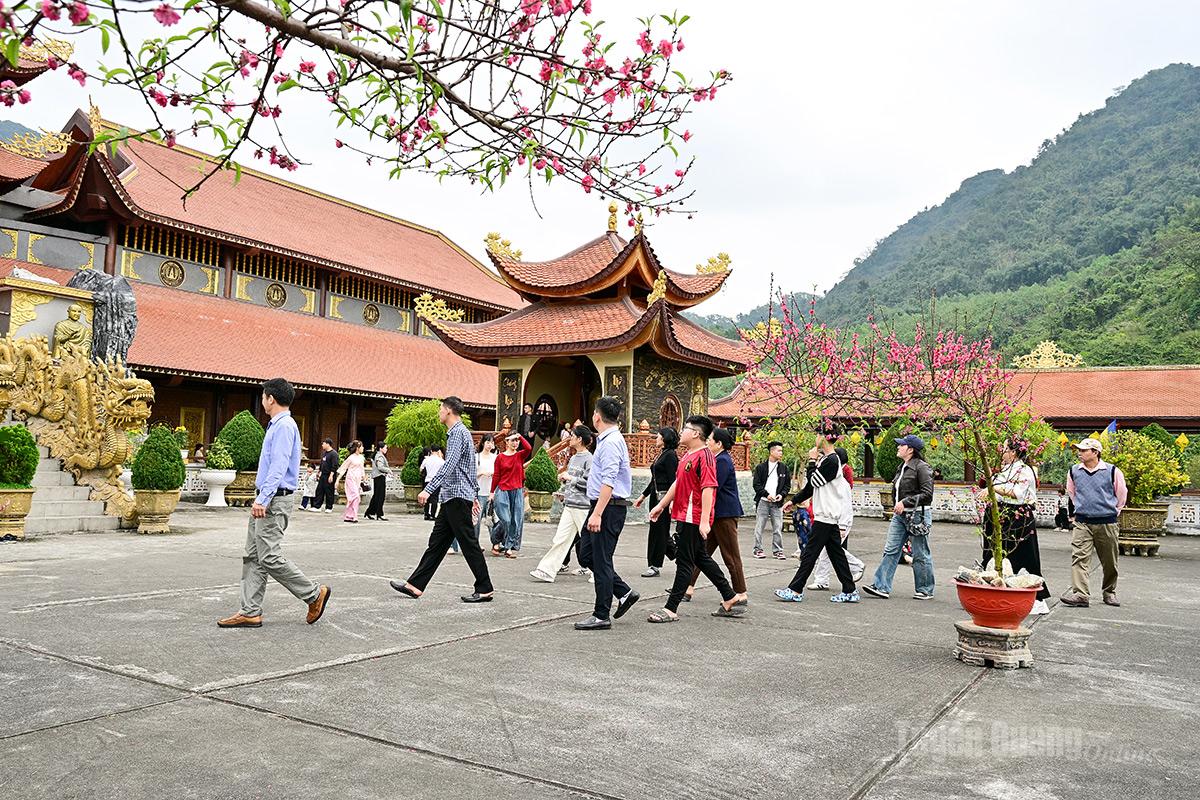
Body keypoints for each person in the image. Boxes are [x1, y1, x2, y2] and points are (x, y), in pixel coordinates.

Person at [218, 377, 330, 628]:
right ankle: (250, 611)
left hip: (274, 499)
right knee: (253, 556)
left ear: (271, 398)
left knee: (268, 556)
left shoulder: (283, 426)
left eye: (264, 397)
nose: (262, 401)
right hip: (268, 497)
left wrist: (263, 498)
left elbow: (278, 467)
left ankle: (313, 594)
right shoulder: (277, 425)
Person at [390, 396, 494, 603]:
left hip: (456, 496)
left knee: (468, 542)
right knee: (437, 543)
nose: (439, 412)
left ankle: (484, 587)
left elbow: (449, 466)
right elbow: (469, 468)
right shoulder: (461, 433)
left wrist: (428, 489)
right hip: (453, 496)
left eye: (440, 409)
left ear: (448, 411)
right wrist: (473, 493)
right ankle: (415, 585)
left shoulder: (457, 434)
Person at [647, 416, 745, 622]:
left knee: (685, 562)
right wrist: (661, 505)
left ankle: (671, 608)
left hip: (693, 516)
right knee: (701, 558)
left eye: (685, 428)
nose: (681, 431)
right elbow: (678, 483)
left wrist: (704, 521)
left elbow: (709, 488)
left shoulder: (705, 456)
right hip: (684, 514)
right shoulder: (687, 456)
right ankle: (730, 596)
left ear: (695, 434)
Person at [574, 396, 640, 630]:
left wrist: (597, 514)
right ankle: (624, 592)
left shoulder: (611, 442)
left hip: (608, 508)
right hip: (601, 506)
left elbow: (609, 481)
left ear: (597, 416)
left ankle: (601, 614)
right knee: (585, 553)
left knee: (601, 561)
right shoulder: (606, 439)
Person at [776, 425, 859, 604]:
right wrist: (794, 500)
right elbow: (811, 488)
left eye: (817, 434)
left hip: (826, 515)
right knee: (836, 555)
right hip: (827, 515)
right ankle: (850, 590)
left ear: (824, 437)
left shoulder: (831, 460)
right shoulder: (827, 460)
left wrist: (812, 462)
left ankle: (795, 589)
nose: (815, 438)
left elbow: (815, 480)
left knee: (810, 553)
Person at [862, 434, 936, 600]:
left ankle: (925, 589)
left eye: (901, 445)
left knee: (920, 552)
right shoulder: (902, 467)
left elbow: (927, 494)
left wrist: (905, 502)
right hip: (900, 516)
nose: (898, 447)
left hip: (918, 515)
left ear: (910, 450)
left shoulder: (922, 467)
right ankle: (881, 586)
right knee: (891, 549)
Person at [682, 426, 749, 605]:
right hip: (714, 514)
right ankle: (687, 587)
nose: (708, 442)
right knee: (700, 553)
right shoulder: (717, 459)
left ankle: (740, 592)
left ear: (718, 444)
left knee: (731, 555)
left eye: (710, 440)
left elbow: (711, 488)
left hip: (724, 514)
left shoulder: (722, 461)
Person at [984, 439, 1050, 615]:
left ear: (1013, 452)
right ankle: (995, 593)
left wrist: (993, 488)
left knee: (1025, 556)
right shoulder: (1006, 469)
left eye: (1005, 449)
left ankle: (1037, 598)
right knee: (995, 555)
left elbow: (1017, 494)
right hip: (999, 514)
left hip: (1017, 517)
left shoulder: (1024, 470)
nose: (1002, 451)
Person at [1061, 437, 1126, 608]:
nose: (1079, 453)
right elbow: (1072, 493)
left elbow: (1121, 495)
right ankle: (1081, 595)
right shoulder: (1074, 471)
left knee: (1110, 560)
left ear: (1095, 452)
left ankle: (1109, 592)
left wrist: (1112, 512)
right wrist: (1081, 510)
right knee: (1079, 557)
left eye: (1083, 450)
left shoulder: (1112, 471)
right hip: (1082, 522)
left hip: (1107, 522)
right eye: (1079, 450)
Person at [529, 425, 594, 582]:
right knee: (560, 539)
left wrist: (571, 478)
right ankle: (547, 570)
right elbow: (571, 482)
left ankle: (598, 571)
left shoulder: (589, 459)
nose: (570, 438)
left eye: (572, 436)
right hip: (570, 505)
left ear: (580, 439)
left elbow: (591, 483)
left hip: (583, 507)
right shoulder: (573, 458)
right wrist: (564, 490)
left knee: (590, 541)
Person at [808, 446, 866, 590]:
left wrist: (842, 526)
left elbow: (845, 506)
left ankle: (855, 566)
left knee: (830, 551)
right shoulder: (832, 479)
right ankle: (823, 580)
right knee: (829, 550)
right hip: (832, 519)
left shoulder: (842, 483)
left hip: (839, 521)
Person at [634, 427, 679, 577]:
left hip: (664, 498)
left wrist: (672, 501)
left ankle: (655, 565)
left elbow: (674, 480)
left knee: (659, 531)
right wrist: (643, 495)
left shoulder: (671, 456)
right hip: (655, 496)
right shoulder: (662, 454)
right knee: (658, 531)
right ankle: (678, 554)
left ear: (665, 438)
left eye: (659, 436)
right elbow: (654, 479)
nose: (656, 439)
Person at [491, 432, 532, 557]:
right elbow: (497, 475)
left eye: (517, 441)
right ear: (506, 442)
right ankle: (495, 539)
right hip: (503, 489)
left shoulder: (520, 455)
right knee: (506, 519)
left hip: (517, 490)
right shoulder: (500, 457)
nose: (515, 443)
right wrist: (492, 492)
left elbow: (529, 448)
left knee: (515, 520)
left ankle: (508, 546)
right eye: (512, 440)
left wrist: (520, 436)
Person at [751, 441, 792, 560]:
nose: (781, 453)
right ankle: (757, 549)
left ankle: (778, 551)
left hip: (777, 503)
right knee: (759, 527)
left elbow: (787, 485)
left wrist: (782, 495)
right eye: (779, 451)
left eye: (781, 451)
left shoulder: (783, 468)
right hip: (763, 501)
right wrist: (766, 494)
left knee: (778, 528)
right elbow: (756, 485)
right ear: (771, 451)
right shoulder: (761, 467)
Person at [336, 440, 366, 523]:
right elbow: (343, 469)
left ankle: (349, 515)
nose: (363, 448)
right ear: (357, 448)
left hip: (358, 479)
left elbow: (362, 468)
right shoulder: (351, 458)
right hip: (350, 478)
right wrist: (337, 480)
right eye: (361, 447)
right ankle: (354, 516)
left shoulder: (362, 457)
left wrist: (364, 477)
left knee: (353, 498)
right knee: (356, 496)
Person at [475, 434, 497, 540]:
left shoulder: (495, 458)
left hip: (491, 492)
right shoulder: (476, 457)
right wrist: (481, 473)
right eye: (488, 442)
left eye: (492, 442)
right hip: (479, 492)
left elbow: (499, 474)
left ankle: (496, 542)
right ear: (483, 443)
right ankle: (475, 543)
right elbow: (470, 474)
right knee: (476, 519)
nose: (490, 445)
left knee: (492, 519)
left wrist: (493, 474)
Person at [364, 441, 390, 520]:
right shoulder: (379, 456)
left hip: (377, 477)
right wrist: (388, 470)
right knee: (380, 496)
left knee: (377, 496)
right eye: (385, 448)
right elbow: (380, 467)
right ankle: (379, 513)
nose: (386, 449)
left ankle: (370, 512)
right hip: (379, 476)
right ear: (381, 448)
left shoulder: (378, 455)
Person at [312, 438, 339, 513]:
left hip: (330, 474)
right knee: (319, 490)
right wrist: (319, 471)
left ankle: (329, 507)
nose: (322, 445)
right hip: (323, 474)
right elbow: (322, 464)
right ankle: (317, 506)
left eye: (323, 444)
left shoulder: (334, 454)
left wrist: (331, 475)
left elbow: (335, 465)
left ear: (328, 444)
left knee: (329, 491)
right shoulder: (324, 453)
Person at [420, 446, 445, 521]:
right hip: (436, 481)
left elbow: (421, 469)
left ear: (431, 450)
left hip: (427, 480)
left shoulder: (426, 460)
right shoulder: (441, 461)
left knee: (426, 498)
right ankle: (432, 515)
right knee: (435, 498)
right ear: (438, 451)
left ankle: (426, 514)